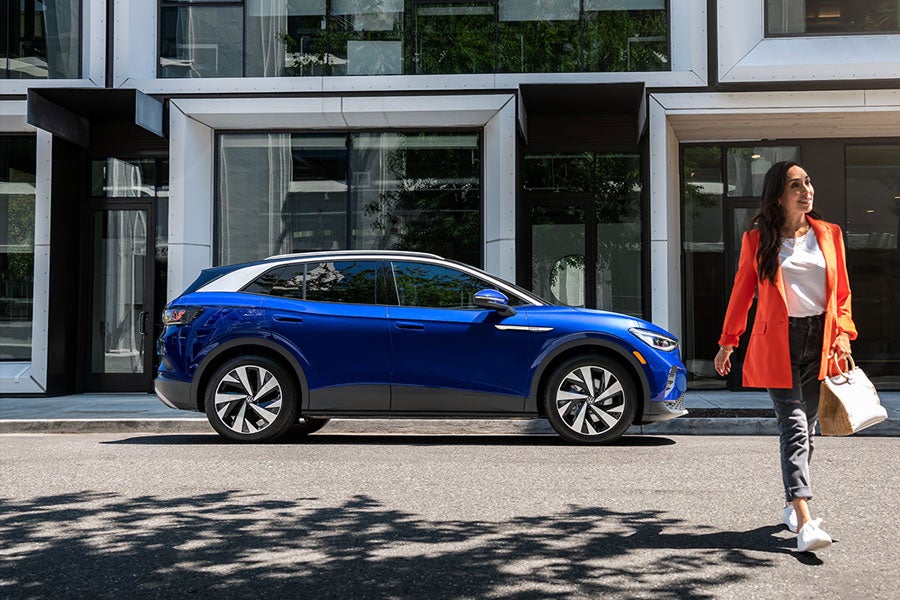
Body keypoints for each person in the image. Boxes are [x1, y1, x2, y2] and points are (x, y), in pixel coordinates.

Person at [713, 161, 856, 553]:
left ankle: (792, 503)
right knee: (794, 426)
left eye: (808, 182)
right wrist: (729, 342)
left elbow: (841, 294)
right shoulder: (758, 240)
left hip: (820, 340)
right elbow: (742, 292)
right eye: (796, 185)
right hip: (779, 342)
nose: (807, 190)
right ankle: (805, 520)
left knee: (808, 430)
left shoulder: (830, 234)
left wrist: (843, 335)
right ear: (779, 195)